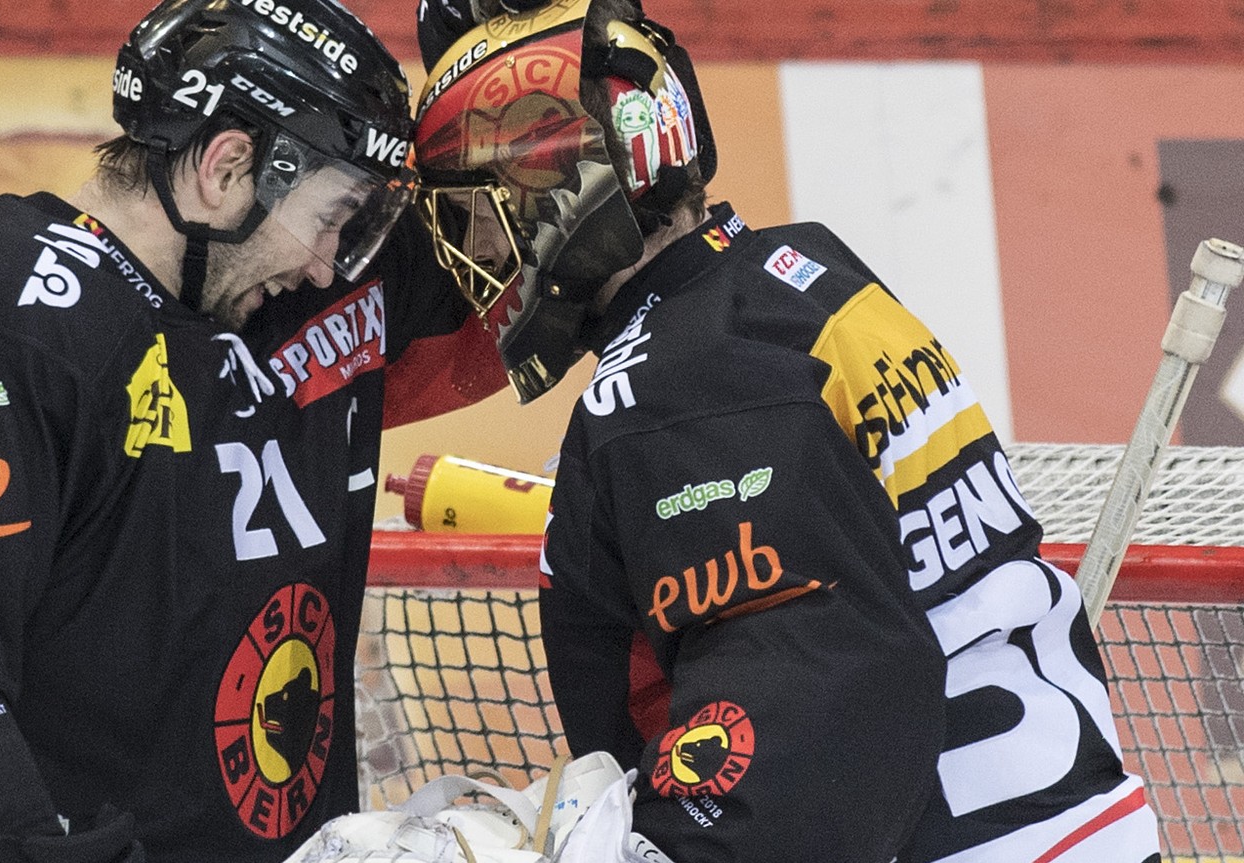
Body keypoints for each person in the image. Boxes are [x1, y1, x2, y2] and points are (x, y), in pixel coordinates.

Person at [411, 1, 1163, 861]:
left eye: (479, 217)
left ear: (568, 191)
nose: (474, 257)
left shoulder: (672, 388)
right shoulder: (799, 274)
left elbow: (811, 696)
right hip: (1069, 822)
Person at [0, 0, 505, 860]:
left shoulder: (288, 289)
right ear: (228, 169)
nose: (326, 260)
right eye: (332, 217)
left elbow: (527, 255)